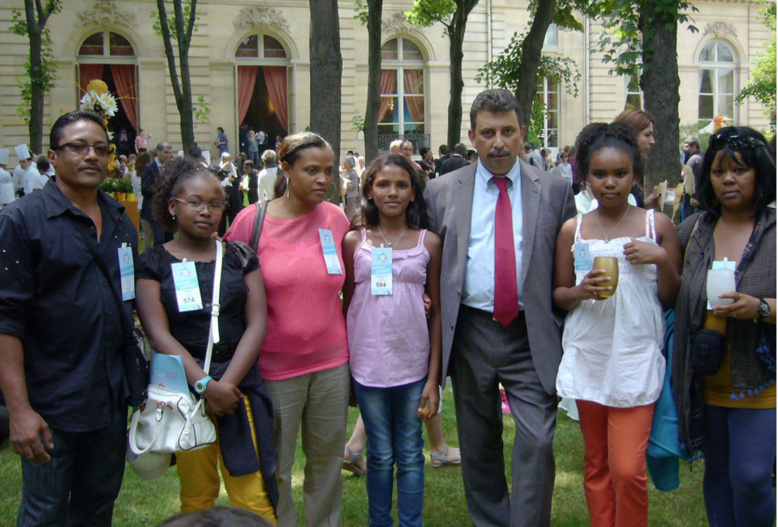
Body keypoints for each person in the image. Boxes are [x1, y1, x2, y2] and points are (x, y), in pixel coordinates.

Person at [424, 89, 576, 527]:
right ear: (472, 136)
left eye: (508, 131)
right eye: (487, 133)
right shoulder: (441, 191)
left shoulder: (555, 190)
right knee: (478, 442)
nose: (498, 143)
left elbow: (566, 263)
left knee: (538, 440)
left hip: (531, 332)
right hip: (470, 331)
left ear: (522, 133)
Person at [0, 110, 138, 525]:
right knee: (44, 513)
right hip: (50, 402)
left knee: (97, 509)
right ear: (53, 156)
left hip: (110, 398)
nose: (91, 155)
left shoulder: (120, 220)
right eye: (78, 147)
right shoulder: (22, 220)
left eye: (100, 148)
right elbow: (6, 322)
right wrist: (19, 411)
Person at [553, 122, 682, 527]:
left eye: (620, 173)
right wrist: (580, 291)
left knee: (627, 469)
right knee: (597, 464)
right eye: (600, 174)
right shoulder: (574, 230)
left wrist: (661, 259)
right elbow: (558, 294)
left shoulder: (656, 226)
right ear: (586, 176)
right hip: (589, 353)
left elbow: (672, 298)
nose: (610, 183)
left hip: (634, 356)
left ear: (634, 174)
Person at [135, 158, 278, 522]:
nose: (206, 211)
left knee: (253, 496)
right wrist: (204, 385)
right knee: (197, 493)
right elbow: (158, 333)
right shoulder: (153, 263)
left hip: (237, 389)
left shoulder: (240, 256)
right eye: (195, 202)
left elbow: (257, 322)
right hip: (185, 394)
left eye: (215, 204)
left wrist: (225, 386)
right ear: (173, 205)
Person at [224, 132, 350, 527]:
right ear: (286, 169)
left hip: (332, 364)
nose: (323, 179)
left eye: (328, 171)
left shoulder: (335, 218)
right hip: (273, 370)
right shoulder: (252, 221)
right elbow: (226, 286)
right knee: (275, 465)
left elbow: (355, 279)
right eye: (311, 170)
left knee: (327, 462)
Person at [673, 126, 776, 527]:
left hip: (762, 380)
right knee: (717, 474)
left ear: (760, 174)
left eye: (739, 170)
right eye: (718, 172)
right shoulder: (694, 230)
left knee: (751, 477)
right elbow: (668, 289)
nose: (728, 180)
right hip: (706, 377)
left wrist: (761, 308)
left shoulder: (774, 230)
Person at [342, 154, 443, 527]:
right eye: (383, 184)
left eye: (402, 185)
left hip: (413, 365)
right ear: (370, 190)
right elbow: (347, 304)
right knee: (381, 454)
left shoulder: (429, 242)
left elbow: (438, 312)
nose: (392, 192)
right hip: (367, 364)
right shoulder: (355, 241)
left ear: (413, 193)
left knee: (412, 453)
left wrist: (433, 377)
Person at [614, 109, 660, 209]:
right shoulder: (614, 166)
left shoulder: (632, 165)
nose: (652, 141)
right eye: (647, 135)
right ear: (631, 134)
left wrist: (644, 205)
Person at [142, 141, 173, 249]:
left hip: (167, 209)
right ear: (158, 152)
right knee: (158, 238)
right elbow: (145, 189)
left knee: (169, 238)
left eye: (169, 153)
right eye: (166, 152)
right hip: (154, 209)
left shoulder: (169, 168)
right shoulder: (149, 168)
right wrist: (161, 189)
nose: (168, 155)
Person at [341, 155, 360, 221]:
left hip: (351, 196)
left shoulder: (353, 173)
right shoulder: (347, 172)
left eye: (346, 162)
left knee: (351, 212)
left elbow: (354, 185)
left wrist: (345, 185)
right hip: (346, 196)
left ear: (350, 163)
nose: (344, 163)